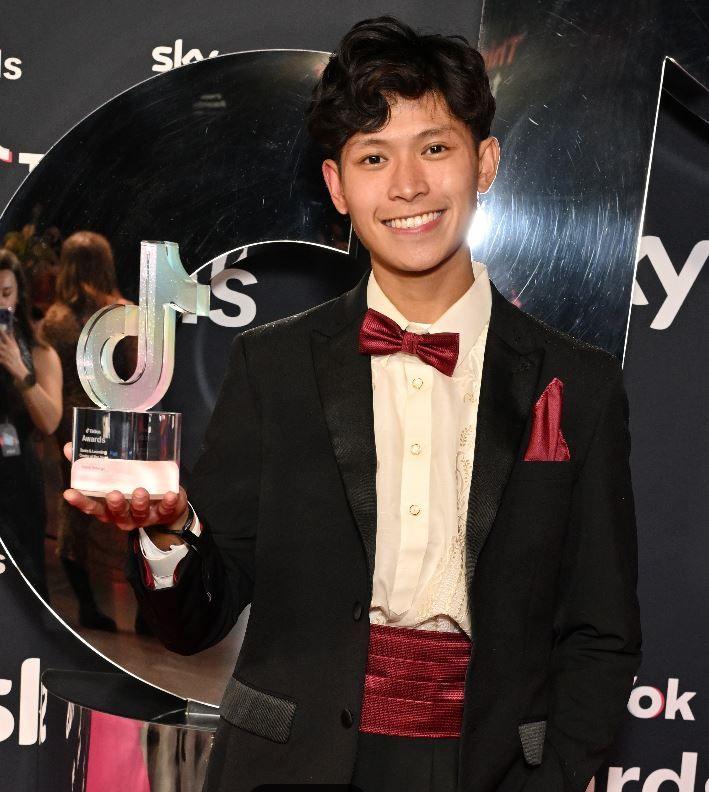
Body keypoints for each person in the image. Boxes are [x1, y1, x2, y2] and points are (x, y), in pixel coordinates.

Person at [63, 16, 642, 792]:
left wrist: (553, 778)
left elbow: (601, 632)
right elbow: (199, 618)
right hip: (289, 768)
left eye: (433, 148)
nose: (406, 185)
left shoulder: (579, 383)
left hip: (487, 770)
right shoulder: (273, 366)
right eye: (374, 157)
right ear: (337, 185)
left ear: (484, 162)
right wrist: (169, 533)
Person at [43, 231, 133, 631]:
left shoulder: (55, 320)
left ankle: (87, 607)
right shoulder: (122, 312)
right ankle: (147, 613)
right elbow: (135, 373)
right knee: (129, 511)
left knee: (75, 511)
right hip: (116, 419)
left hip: (72, 424)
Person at [0, 249, 62, 598]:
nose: (0, 303)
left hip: (17, 476)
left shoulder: (39, 352)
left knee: (25, 580)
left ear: (19, 295)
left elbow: (50, 422)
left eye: (6, 293)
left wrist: (19, 370)